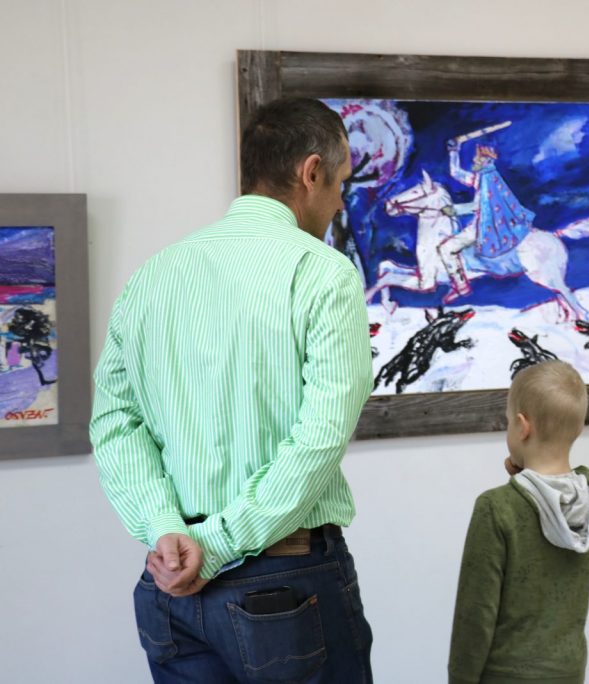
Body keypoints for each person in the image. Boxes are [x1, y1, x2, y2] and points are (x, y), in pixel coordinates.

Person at [91, 97, 374, 683]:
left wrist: (167, 531)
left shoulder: (153, 276)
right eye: (341, 182)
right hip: (285, 585)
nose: (341, 201)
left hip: (168, 587)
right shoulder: (323, 273)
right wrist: (216, 545)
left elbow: (115, 422)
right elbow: (320, 438)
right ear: (311, 172)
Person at [449, 360, 589, 684]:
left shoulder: (494, 508)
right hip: (568, 673)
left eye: (508, 422)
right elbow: (554, 490)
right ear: (579, 428)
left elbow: (475, 616)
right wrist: (525, 470)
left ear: (521, 426)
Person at [438, 140, 535, 303]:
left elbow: (480, 206)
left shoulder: (488, 180)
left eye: (478, 158)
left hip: (483, 226)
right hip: (481, 223)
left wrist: (455, 210)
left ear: (486, 161)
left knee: (446, 249)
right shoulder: (482, 177)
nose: (474, 160)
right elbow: (456, 173)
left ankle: (461, 286)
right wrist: (454, 151)